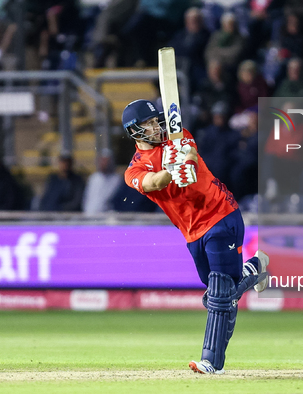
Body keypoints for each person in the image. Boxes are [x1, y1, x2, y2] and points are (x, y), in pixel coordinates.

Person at [121, 99, 269, 375]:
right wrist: (170, 171)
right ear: (134, 132)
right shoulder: (134, 171)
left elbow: (189, 151)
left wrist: (184, 161)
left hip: (220, 215)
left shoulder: (177, 137)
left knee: (221, 294)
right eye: (150, 124)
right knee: (216, 294)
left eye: (157, 121)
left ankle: (212, 362)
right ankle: (254, 268)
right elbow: (154, 183)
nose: (157, 127)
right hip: (192, 233)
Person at [83, 149, 122, 215]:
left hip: (108, 215)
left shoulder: (116, 180)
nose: (104, 163)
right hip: (91, 214)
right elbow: (87, 198)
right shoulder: (93, 178)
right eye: (102, 161)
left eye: (107, 161)